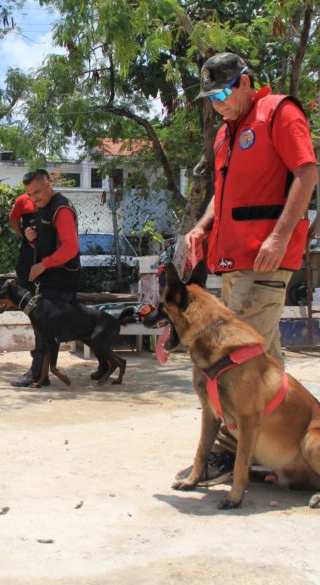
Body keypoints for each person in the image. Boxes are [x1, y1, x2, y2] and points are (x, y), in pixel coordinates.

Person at [179, 52, 319, 483]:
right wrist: (201, 228)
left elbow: (307, 172)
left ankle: (225, 450)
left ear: (244, 82)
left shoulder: (278, 112)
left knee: (235, 361)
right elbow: (222, 197)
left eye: (222, 92)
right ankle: (279, 446)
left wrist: (279, 235)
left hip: (265, 259)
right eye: (210, 97)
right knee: (266, 363)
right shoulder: (226, 134)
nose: (217, 103)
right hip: (231, 260)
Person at [11, 169, 81, 387]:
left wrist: (43, 265)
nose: (34, 198)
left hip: (61, 278)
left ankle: (37, 374)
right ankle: (41, 372)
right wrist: (31, 238)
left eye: (37, 192)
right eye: (30, 194)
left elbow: (70, 247)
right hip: (49, 277)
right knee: (45, 328)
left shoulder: (61, 209)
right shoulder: (43, 207)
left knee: (45, 328)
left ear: (49, 183)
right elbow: (48, 242)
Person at [9, 191, 36, 289]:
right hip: (28, 243)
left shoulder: (50, 199)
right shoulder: (22, 199)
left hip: (47, 243)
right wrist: (23, 234)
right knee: (24, 271)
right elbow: (13, 219)